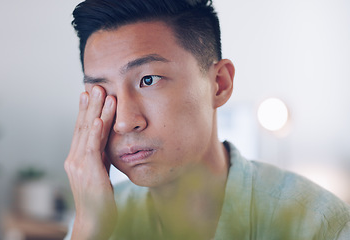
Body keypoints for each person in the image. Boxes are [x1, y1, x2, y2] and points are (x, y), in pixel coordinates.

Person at [63, 0, 350, 239]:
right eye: (102, 92)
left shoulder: (315, 224)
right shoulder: (97, 221)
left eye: (148, 80)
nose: (124, 122)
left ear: (219, 84)